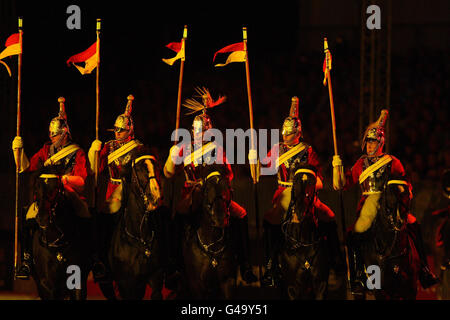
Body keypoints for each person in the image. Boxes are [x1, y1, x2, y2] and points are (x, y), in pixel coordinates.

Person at [332, 109, 439, 294]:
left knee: (414, 224)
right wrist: (337, 167)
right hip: (367, 208)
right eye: (368, 141)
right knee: (353, 234)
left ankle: (424, 269)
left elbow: (405, 186)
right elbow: (343, 184)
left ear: (381, 142)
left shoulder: (392, 162)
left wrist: (401, 202)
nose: (369, 145)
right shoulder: (360, 163)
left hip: (390, 205)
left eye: (373, 141)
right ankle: (358, 275)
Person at [163, 87, 257, 284]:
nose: (201, 135)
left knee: (241, 214)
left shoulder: (217, 149)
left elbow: (227, 174)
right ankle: (172, 264)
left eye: (204, 131)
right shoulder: (184, 148)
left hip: (215, 194)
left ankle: (245, 264)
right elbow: (168, 173)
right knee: (177, 218)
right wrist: (172, 158)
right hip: (191, 195)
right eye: (198, 131)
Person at [259, 96, 344, 287]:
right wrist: (254, 160)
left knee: (329, 216)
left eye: (288, 134)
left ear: (298, 133)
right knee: (269, 219)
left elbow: (319, 179)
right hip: (283, 192)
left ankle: (337, 261)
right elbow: (263, 169)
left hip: (305, 194)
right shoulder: (277, 149)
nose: (284, 137)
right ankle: (271, 265)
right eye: (283, 133)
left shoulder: (308, 151)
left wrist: (312, 186)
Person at [11, 97, 93, 279]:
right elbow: (26, 167)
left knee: (86, 215)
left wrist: (64, 180)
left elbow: (82, 179)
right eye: (50, 134)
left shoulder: (77, 152)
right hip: (46, 194)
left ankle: (91, 257)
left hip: (68, 191)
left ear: (64, 134)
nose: (51, 137)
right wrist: (18, 151)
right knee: (28, 216)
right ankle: (26, 259)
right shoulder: (45, 151)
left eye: (54, 134)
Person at [88, 95, 162, 282]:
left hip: (134, 192)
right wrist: (94, 151)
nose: (117, 133)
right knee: (104, 224)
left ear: (130, 131)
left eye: (121, 130)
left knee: (154, 219)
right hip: (113, 192)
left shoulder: (139, 148)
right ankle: (100, 260)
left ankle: (161, 261)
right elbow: (96, 168)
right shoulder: (109, 147)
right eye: (116, 130)